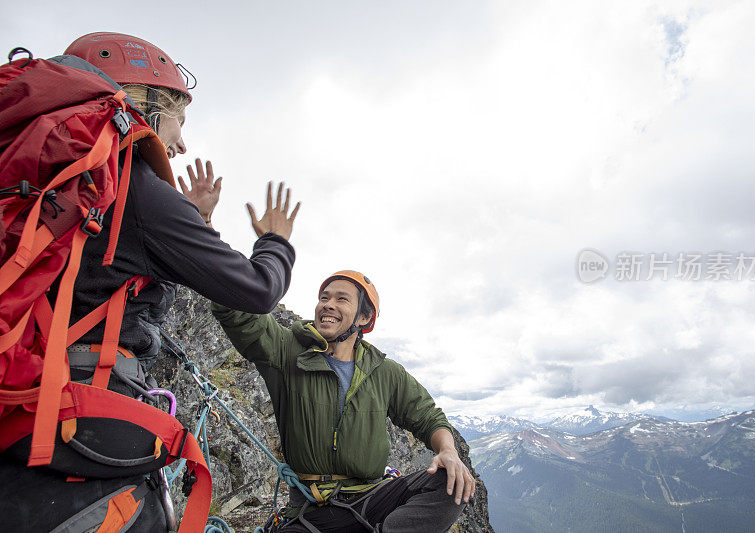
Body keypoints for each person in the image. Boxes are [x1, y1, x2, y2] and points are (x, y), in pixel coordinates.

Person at [0, 32, 300, 531]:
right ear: (147, 102)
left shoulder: (51, 175)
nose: (181, 143)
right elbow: (256, 290)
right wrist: (276, 243)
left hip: (21, 388)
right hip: (82, 410)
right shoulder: (134, 184)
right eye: (180, 120)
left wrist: (196, 221)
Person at [211, 270, 475, 532]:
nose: (328, 304)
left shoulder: (384, 372)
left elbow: (428, 416)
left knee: (453, 482)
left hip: (371, 499)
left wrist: (448, 450)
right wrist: (214, 244)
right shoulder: (286, 349)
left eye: (341, 299)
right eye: (324, 298)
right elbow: (238, 313)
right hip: (310, 509)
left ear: (364, 317)